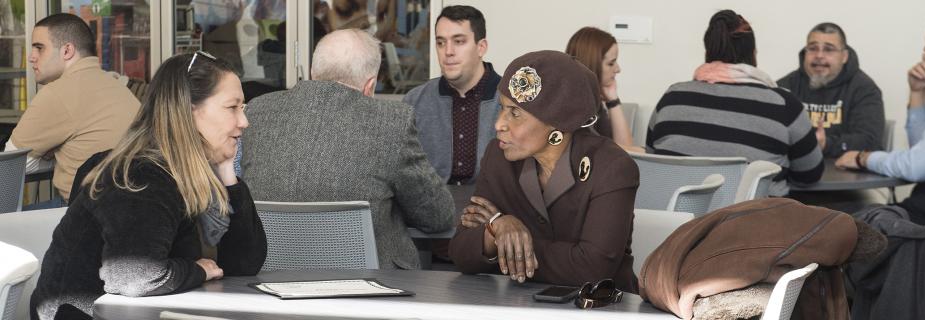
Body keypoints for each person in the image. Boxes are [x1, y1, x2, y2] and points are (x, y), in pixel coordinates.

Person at [29, 52, 267, 320]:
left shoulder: (191, 171)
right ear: (189, 112)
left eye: (243, 108)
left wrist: (227, 173)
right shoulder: (140, 175)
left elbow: (243, 265)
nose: (244, 121)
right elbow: (132, 276)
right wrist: (197, 270)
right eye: (232, 107)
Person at [240, 29, 453, 270]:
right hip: (371, 290)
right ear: (369, 87)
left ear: (313, 73)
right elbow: (436, 216)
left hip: (270, 283)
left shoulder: (257, 111)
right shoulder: (391, 121)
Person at [449, 50, 640, 293]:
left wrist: (510, 245)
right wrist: (497, 229)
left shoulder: (612, 168)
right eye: (502, 108)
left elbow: (593, 268)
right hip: (517, 307)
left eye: (515, 113)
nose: (499, 124)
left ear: (557, 125)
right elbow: (460, 252)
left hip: (600, 311)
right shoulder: (498, 157)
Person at [645, 10, 823, 196]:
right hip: (752, 222)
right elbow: (809, 175)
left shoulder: (672, 97)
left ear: (707, 54)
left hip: (679, 222)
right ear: (754, 55)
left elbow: (654, 161)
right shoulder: (784, 105)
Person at [6, 13, 139, 207]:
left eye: (39, 48)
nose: (31, 57)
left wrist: (54, 152)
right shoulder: (117, 86)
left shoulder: (58, 93)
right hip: (128, 211)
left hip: (85, 215)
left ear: (67, 50)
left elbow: (11, 166)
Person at [837, 11, 925, 238]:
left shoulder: (863, 88)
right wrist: (918, 91)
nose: (924, 51)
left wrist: (864, 158)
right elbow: (922, 151)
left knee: (849, 228)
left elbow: (917, 167)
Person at [403, 5, 500, 185]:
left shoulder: (508, 101)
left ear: (481, 47)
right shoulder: (414, 101)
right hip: (429, 207)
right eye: (441, 43)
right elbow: (403, 170)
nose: (448, 51)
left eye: (459, 41)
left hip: (493, 207)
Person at [778, 22, 885, 158]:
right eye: (813, 48)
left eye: (828, 49)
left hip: (847, 173)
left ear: (844, 56)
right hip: (795, 171)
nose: (819, 55)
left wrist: (826, 144)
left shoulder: (864, 89)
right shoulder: (785, 87)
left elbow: (870, 141)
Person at [565, 26, 644, 153]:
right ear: (592, 63)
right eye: (611, 63)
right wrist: (643, 152)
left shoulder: (594, 104)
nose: (618, 69)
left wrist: (613, 99)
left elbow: (625, 148)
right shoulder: (570, 106)